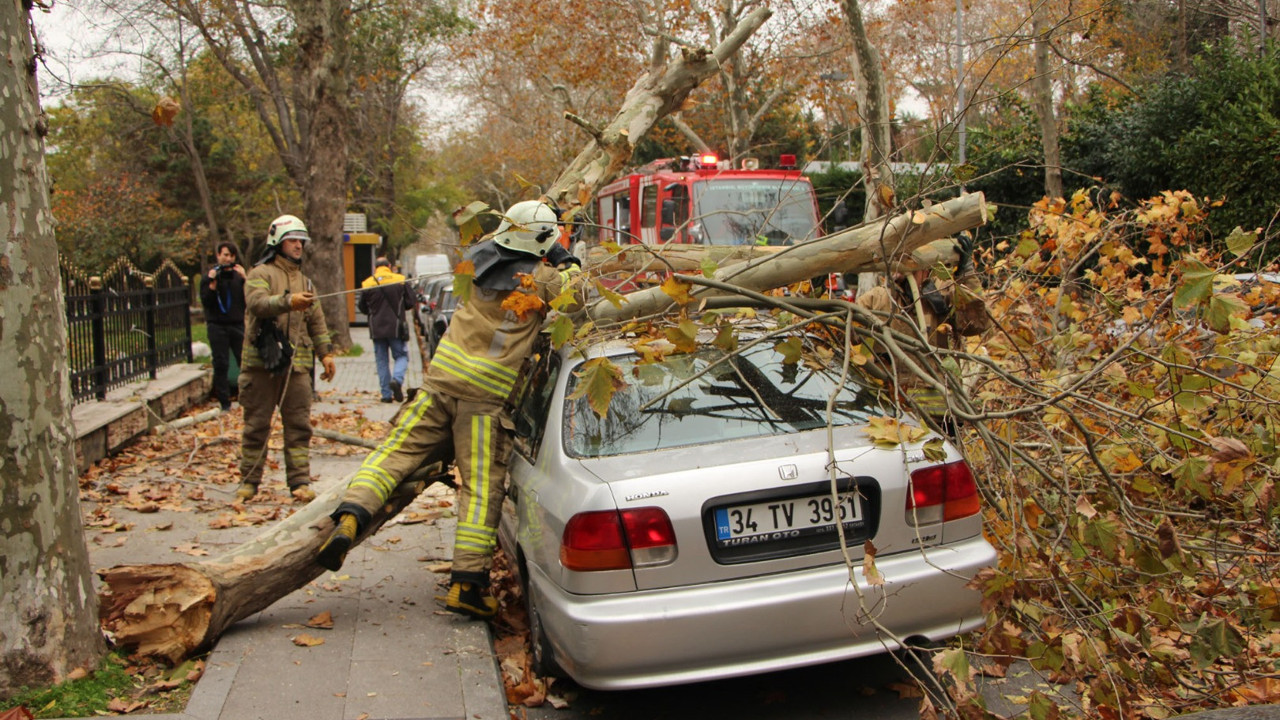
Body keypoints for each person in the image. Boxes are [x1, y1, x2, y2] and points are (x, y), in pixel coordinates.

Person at [316, 200, 585, 620]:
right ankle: (467, 585)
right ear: (540, 243)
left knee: (394, 453)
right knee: (480, 489)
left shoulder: (474, 260)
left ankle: (350, 516)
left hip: (439, 382)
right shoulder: (542, 279)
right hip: (484, 398)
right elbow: (579, 293)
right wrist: (564, 256)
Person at [236, 214, 337, 503]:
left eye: (301, 241)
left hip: (298, 366)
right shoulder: (260, 274)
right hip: (260, 365)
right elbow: (257, 304)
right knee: (256, 425)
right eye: (292, 240)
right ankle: (248, 482)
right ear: (277, 242)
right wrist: (287, 301)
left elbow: (316, 320)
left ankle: (300, 482)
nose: (298, 246)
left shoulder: (305, 281)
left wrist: (326, 353)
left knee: (299, 426)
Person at [854, 235, 990, 427]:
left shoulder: (945, 292)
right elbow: (844, 334)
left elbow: (978, 324)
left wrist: (965, 276)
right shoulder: (878, 299)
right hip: (895, 414)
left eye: (902, 257)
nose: (894, 265)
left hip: (940, 414)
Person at [358, 257, 415, 403]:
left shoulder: (367, 283)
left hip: (376, 329)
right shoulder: (400, 280)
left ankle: (386, 395)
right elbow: (410, 301)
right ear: (389, 266)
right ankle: (397, 379)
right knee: (401, 356)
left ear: (375, 268)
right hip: (396, 327)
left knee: (381, 361)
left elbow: (362, 307)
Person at [200, 241, 247, 412]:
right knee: (221, 363)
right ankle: (224, 401)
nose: (228, 259)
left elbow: (251, 299)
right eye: (225, 255)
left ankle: (246, 398)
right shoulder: (209, 277)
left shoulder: (238, 277)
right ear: (218, 255)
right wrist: (212, 287)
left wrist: (245, 278)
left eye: (231, 255)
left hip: (237, 324)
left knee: (244, 361)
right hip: (217, 325)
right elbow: (206, 302)